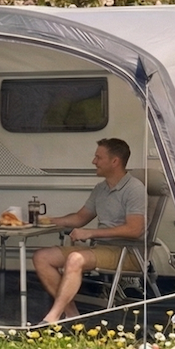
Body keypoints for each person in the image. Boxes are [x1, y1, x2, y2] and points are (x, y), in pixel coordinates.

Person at [33, 138, 146, 325]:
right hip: (101, 249)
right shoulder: (101, 189)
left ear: (115, 161)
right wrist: (48, 220)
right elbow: (80, 218)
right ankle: (72, 316)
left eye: (98, 157)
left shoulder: (134, 189)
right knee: (42, 257)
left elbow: (134, 230)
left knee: (75, 259)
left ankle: (52, 317)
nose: (94, 162)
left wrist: (91, 233)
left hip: (127, 252)